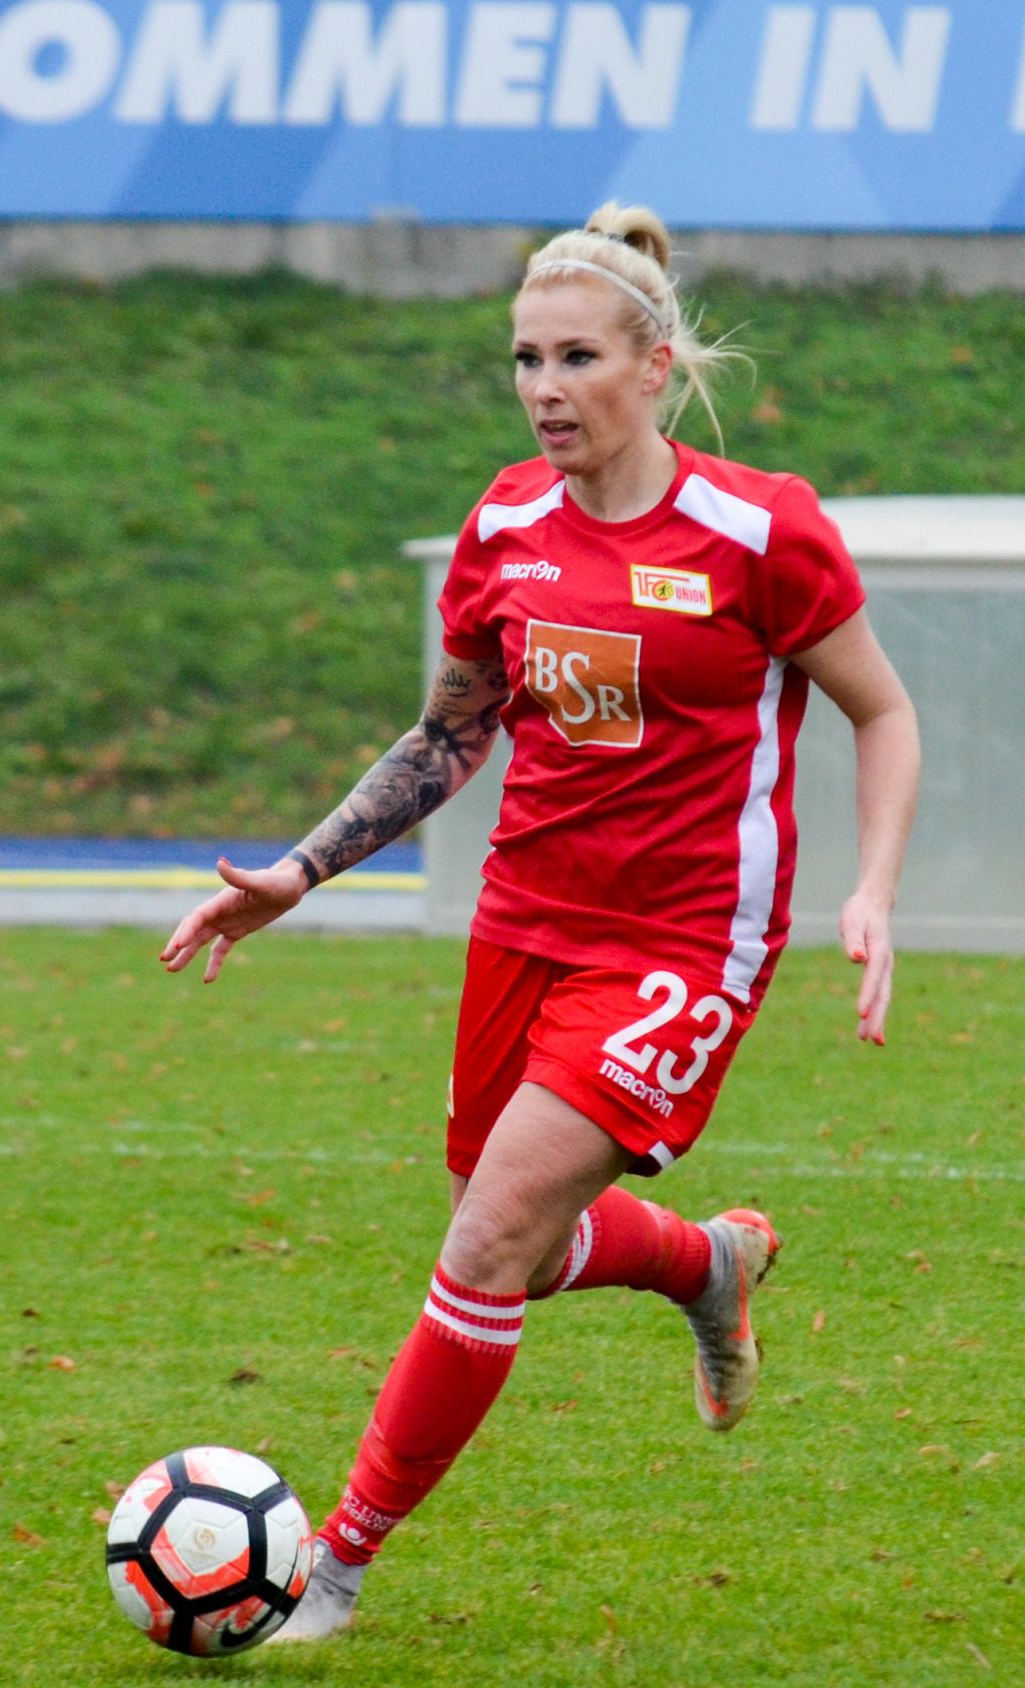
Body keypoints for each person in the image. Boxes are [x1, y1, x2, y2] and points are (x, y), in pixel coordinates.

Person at [159, 203, 920, 1640]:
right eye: (524, 359)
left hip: (689, 943)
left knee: (494, 1232)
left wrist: (871, 889)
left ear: (657, 363)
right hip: (526, 919)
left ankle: (331, 1567)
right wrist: (298, 873)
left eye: (577, 356)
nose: (545, 387)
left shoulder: (763, 531)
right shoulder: (505, 523)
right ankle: (706, 1261)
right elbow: (449, 738)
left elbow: (881, 710)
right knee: (509, 1232)